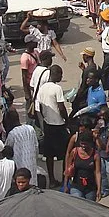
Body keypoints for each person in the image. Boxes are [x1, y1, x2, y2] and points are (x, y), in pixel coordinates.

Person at [33, 58, 70, 187]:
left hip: (48, 124)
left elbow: (41, 108)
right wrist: (66, 119)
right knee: (66, 152)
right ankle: (66, 177)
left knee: (49, 154)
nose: (61, 76)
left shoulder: (42, 88)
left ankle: (52, 179)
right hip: (58, 125)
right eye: (61, 74)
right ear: (56, 74)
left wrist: (46, 118)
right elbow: (61, 107)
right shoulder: (57, 88)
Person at [64, 126, 102, 200]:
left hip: (91, 188)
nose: (83, 146)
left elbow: (98, 173)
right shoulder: (74, 152)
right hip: (76, 186)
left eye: (86, 144)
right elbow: (68, 170)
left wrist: (99, 189)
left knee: (89, 208)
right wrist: (65, 185)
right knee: (78, 204)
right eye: (82, 144)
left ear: (90, 143)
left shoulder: (95, 155)